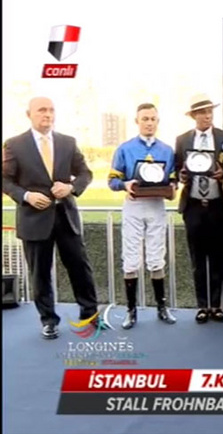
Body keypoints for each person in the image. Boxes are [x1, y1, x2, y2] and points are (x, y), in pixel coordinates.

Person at [2, 97, 99, 339]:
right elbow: (5, 180)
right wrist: (25, 195)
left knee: (80, 268)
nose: (47, 114)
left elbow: (85, 173)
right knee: (40, 274)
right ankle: (48, 320)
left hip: (66, 217)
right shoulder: (14, 145)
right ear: (29, 114)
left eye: (51, 110)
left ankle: (90, 314)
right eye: (42, 110)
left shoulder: (68, 143)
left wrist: (72, 188)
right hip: (33, 220)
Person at [108, 102, 177, 329]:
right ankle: (131, 310)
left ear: (158, 121)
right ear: (137, 121)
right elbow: (112, 180)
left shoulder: (167, 150)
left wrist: (173, 186)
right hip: (134, 205)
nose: (149, 123)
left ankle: (161, 307)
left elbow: (173, 178)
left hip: (156, 204)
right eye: (145, 119)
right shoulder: (125, 149)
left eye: (153, 119)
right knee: (131, 257)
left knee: (157, 257)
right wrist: (124, 184)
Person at [175, 94, 223, 324]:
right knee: (197, 260)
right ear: (194, 116)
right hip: (193, 207)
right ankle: (202, 306)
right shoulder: (182, 140)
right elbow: (177, 168)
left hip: (218, 206)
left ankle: (217, 306)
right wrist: (180, 176)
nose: (207, 115)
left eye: (210, 111)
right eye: (202, 112)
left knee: (219, 259)